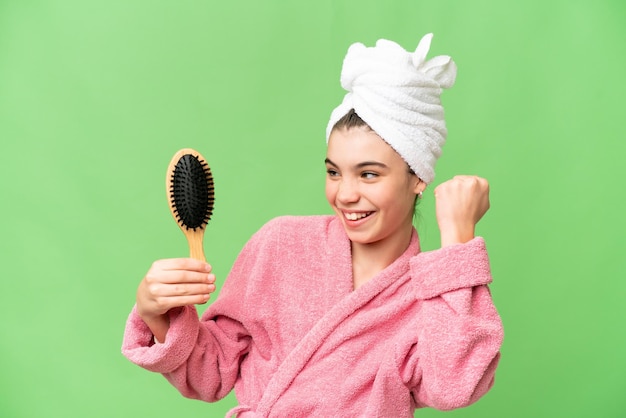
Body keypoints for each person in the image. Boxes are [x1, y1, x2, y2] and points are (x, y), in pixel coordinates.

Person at [122, 33, 504, 417]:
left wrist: (457, 244)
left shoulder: (432, 293)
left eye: (369, 175)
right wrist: (156, 313)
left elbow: (454, 385)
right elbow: (211, 374)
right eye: (334, 172)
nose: (345, 194)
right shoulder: (281, 243)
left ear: (418, 177)